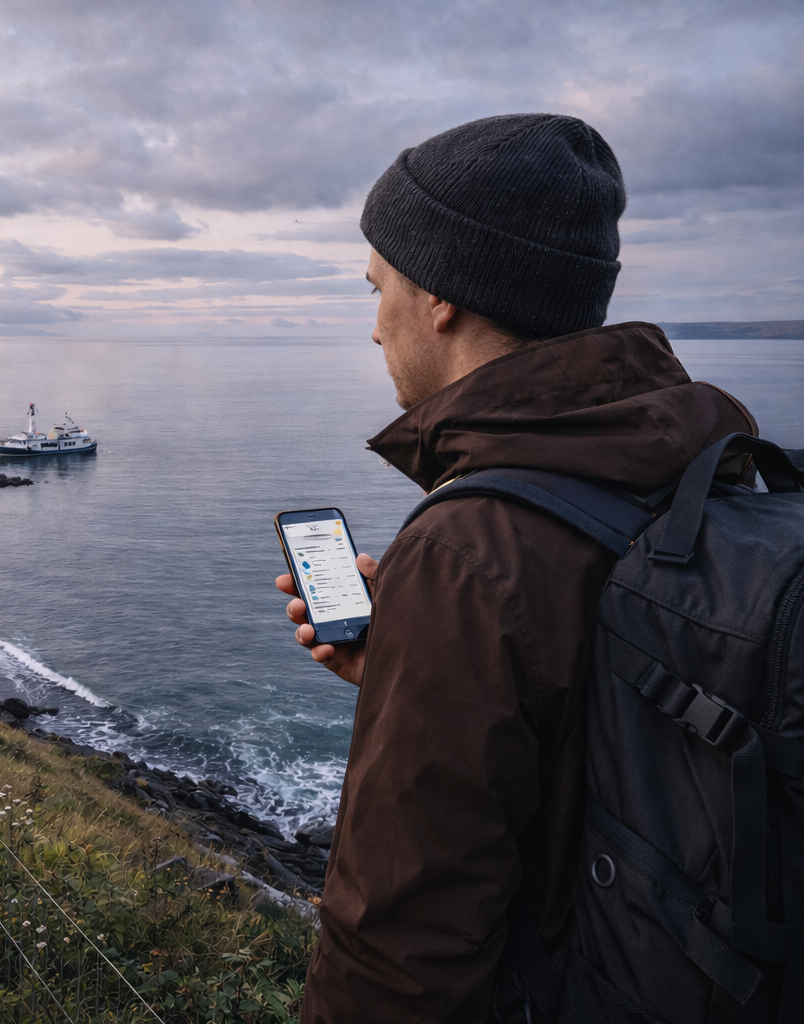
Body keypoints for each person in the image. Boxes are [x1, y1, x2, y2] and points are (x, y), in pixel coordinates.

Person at [277, 114, 757, 1022]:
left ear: (441, 298)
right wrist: (405, 672)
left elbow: (403, 934)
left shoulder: (468, 549)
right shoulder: (705, 460)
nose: (374, 327)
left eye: (377, 287)